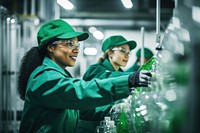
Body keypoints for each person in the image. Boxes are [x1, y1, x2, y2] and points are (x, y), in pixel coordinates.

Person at [17, 19, 152, 133]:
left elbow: (81, 109)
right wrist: (129, 81)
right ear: (50, 47)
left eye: (77, 45)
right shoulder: (44, 78)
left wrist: (112, 110)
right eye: (69, 44)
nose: (76, 49)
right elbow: (81, 91)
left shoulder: (60, 75)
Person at [75, 35, 151, 133]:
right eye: (123, 51)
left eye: (129, 53)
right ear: (110, 53)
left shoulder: (121, 72)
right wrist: (133, 78)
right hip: (90, 127)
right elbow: (109, 79)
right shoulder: (95, 69)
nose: (127, 55)